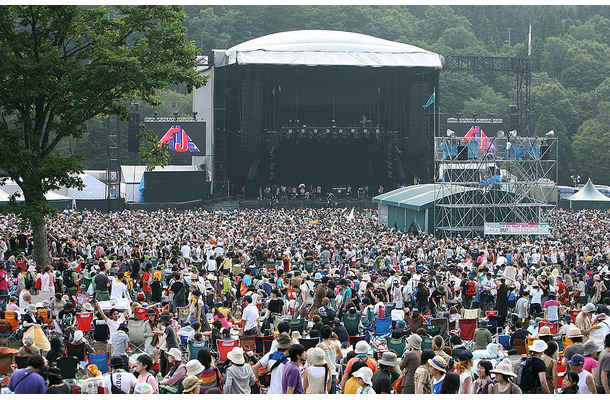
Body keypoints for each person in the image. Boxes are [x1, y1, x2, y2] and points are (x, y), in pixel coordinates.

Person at [316, 324, 342, 394]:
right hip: (332, 372)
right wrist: (333, 358)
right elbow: (340, 356)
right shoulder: (335, 344)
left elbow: (315, 359)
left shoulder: (319, 346)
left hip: (322, 373)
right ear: (330, 334)